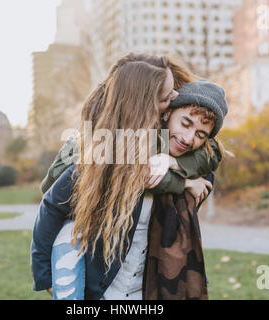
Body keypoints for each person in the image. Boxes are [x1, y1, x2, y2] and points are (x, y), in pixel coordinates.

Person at [31, 54, 226, 300]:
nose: (189, 138)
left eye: (200, 134)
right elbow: (52, 197)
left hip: (149, 288)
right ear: (161, 113)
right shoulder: (109, 152)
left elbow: (212, 153)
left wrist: (176, 164)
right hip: (103, 288)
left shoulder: (198, 164)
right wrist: (185, 182)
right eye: (167, 98)